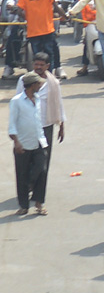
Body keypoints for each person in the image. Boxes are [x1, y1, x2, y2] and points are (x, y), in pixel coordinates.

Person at [8, 72, 49, 215]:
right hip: (23, 144)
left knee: (41, 170)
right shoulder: (17, 101)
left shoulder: (37, 99)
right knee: (22, 174)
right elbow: (12, 125)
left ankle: (38, 201)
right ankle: (24, 205)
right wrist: (16, 142)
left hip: (39, 141)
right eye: (38, 84)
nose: (40, 86)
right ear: (32, 86)